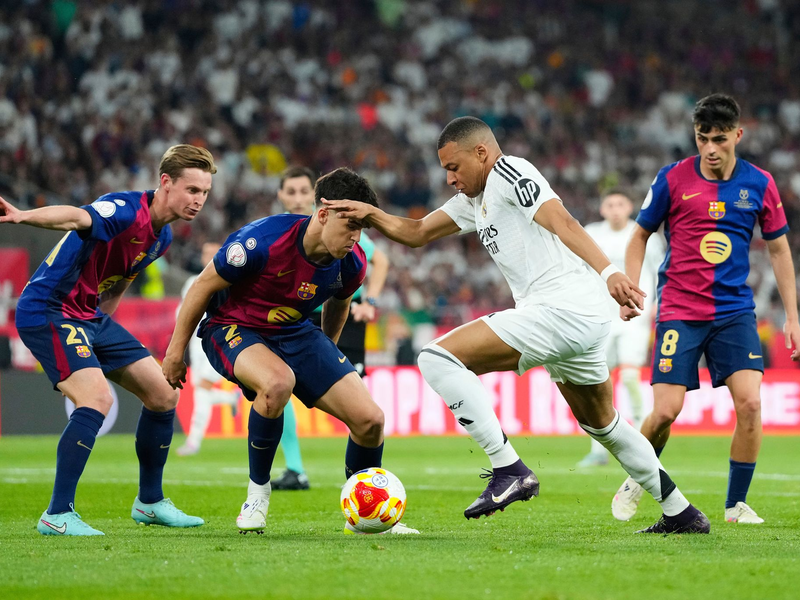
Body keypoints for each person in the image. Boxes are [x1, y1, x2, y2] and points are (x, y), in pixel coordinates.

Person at [325, 116, 710, 534]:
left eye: (454, 167)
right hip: (573, 317)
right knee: (604, 424)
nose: (450, 178)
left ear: (481, 153)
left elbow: (562, 221)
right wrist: (371, 214)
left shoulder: (511, 172)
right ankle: (682, 512)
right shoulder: (472, 200)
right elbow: (416, 231)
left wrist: (609, 272)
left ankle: (508, 468)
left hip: (562, 308)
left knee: (436, 358)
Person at [162, 167, 417, 535]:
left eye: (362, 228)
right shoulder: (260, 242)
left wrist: (326, 354)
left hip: (295, 331)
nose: (356, 237)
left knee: (370, 420)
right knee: (277, 383)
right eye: (350, 226)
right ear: (323, 214)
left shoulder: (353, 262)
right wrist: (175, 353)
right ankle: (257, 495)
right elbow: (202, 287)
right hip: (232, 326)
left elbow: (340, 302)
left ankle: (366, 514)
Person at [3, 144, 216, 536]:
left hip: (90, 317)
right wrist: (22, 215)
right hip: (50, 308)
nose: (199, 200)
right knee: (96, 399)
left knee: (164, 394)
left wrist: (95, 339)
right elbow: (76, 216)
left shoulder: (162, 238)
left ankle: (150, 502)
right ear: (166, 182)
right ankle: (57, 513)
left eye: (204, 192)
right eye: (192, 190)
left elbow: (118, 282)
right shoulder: (124, 210)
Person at [611, 94, 800, 524]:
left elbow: (779, 250)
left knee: (750, 404)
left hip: (734, 311)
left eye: (719, 139)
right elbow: (639, 236)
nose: (710, 148)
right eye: (702, 138)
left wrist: (793, 317)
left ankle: (735, 505)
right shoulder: (673, 178)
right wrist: (631, 289)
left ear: (738, 135)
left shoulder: (759, 183)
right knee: (665, 411)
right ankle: (638, 477)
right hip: (680, 308)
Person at [270, 166, 390, 491]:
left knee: (357, 403)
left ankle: (362, 477)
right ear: (280, 196)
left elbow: (379, 260)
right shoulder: (279, 233)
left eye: (303, 191)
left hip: (344, 317)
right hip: (300, 320)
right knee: (277, 389)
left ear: (317, 198)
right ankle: (295, 468)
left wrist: (371, 302)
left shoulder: (341, 227)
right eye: (290, 192)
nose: (298, 198)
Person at [577, 191, 664, 467]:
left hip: (635, 315)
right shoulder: (591, 234)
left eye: (620, 204)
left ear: (629, 207)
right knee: (597, 383)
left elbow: (661, 270)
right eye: (610, 204)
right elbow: (578, 271)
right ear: (602, 209)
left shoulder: (645, 235)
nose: (615, 209)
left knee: (628, 377)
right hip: (599, 317)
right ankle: (598, 450)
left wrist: (658, 303)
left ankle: (642, 441)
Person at [175, 242, 241, 457]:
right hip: (196, 344)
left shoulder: (228, 282)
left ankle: (193, 442)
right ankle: (231, 399)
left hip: (216, 341)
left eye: (212, 253)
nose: (207, 257)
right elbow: (182, 312)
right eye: (205, 253)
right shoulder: (191, 282)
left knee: (202, 390)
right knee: (201, 391)